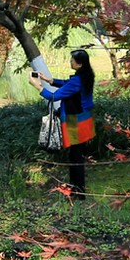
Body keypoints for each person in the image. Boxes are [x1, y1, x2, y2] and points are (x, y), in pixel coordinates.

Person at [32, 48, 97, 197]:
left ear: (79, 64)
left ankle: (79, 192)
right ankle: (76, 188)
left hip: (76, 122)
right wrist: (50, 80)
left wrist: (38, 86)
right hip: (85, 119)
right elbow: (67, 83)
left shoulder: (77, 80)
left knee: (75, 158)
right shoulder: (86, 75)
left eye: (72, 60)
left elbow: (53, 97)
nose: (70, 62)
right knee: (77, 155)